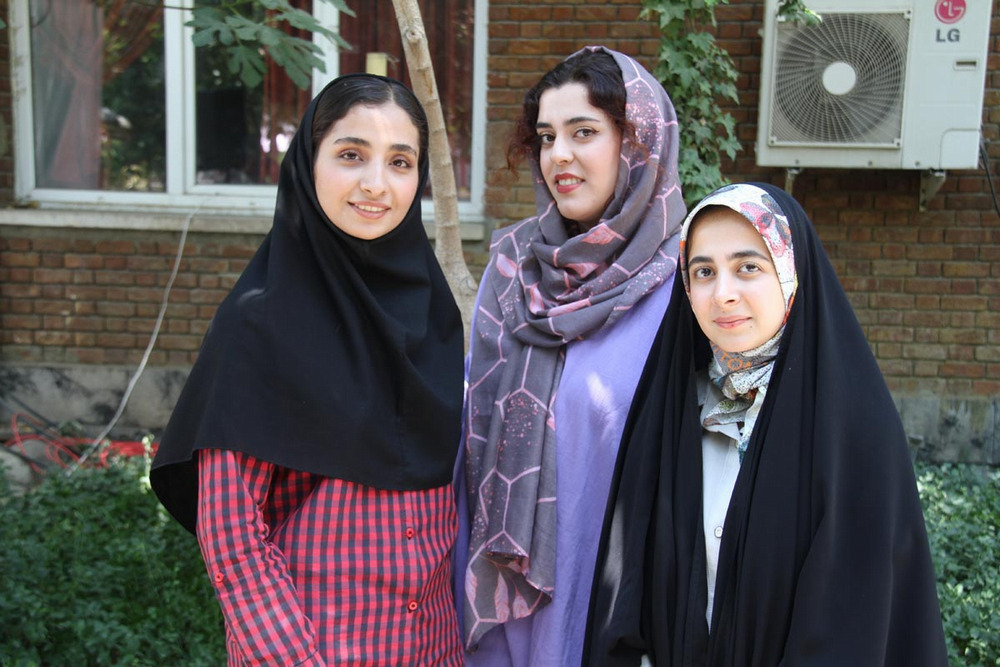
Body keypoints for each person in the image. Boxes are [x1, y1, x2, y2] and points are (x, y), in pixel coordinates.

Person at [150, 74, 465, 666]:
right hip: (311, 649)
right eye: (351, 155)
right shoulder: (259, 322)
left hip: (433, 648)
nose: (376, 184)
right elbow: (232, 534)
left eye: (400, 162)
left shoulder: (433, 316)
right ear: (307, 162)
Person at [585, 183, 949, 665]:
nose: (723, 294)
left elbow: (855, 626)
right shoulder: (669, 415)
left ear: (790, 273)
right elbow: (625, 595)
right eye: (704, 272)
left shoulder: (852, 434)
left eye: (748, 267)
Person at [454, 46, 687, 666]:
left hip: (621, 606)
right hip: (503, 601)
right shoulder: (512, 268)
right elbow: (471, 434)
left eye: (584, 132)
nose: (558, 154)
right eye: (546, 136)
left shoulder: (686, 282)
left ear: (638, 142)